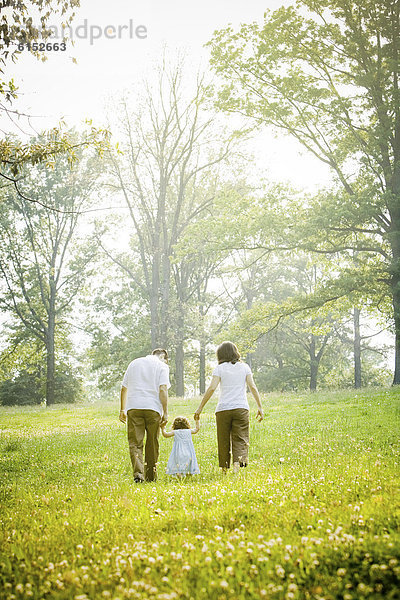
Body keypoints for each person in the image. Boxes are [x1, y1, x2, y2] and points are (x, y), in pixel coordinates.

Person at [194, 341, 263, 472]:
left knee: (223, 439)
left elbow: (212, 388)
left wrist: (200, 408)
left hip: (223, 409)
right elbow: (252, 386)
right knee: (241, 438)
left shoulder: (219, 368)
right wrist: (259, 406)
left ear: (220, 354)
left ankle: (224, 470)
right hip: (241, 408)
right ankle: (237, 469)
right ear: (235, 352)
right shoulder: (244, 367)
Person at [119, 348, 170, 482]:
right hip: (153, 408)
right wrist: (165, 412)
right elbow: (163, 389)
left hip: (134, 407)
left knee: (135, 443)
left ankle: (138, 475)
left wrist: (122, 409)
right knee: (152, 442)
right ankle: (151, 476)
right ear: (163, 357)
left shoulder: (134, 363)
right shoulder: (162, 366)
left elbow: (124, 388)